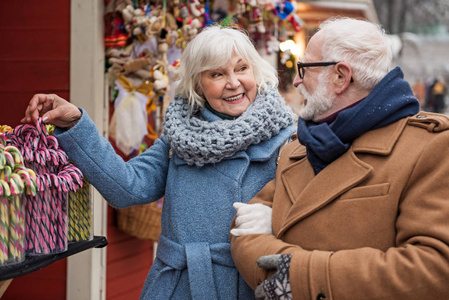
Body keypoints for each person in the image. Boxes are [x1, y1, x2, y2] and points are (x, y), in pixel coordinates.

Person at [22, 25, 297, 299]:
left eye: (241, 68)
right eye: (217, 73)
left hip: (249, 285)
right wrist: (76, 124)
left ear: (255, 71)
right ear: (198, 84)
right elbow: (127, 188)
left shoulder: (288, 138)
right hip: (178, 287)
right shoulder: (179, 137)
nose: (234, 82)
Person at [230, 17, 449, 300]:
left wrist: (300, 275)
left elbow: (434, 270)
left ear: (340, 77)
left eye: (304, 68)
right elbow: (242, 233)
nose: (296, 80)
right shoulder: (299, 147)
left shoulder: (429, 148)